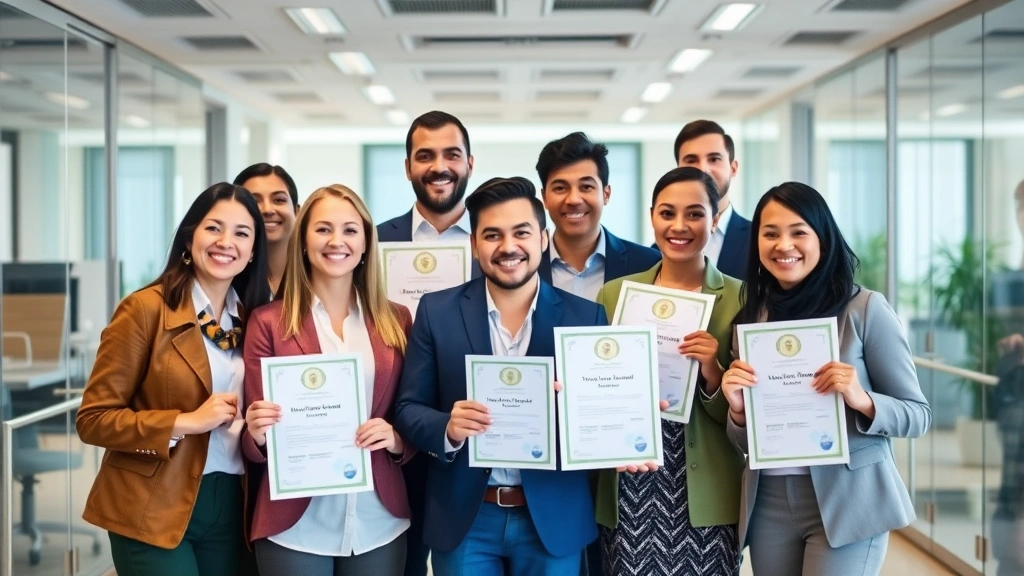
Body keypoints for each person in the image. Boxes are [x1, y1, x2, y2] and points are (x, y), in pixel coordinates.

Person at [394, 177, 606, 576]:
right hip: (466, 519)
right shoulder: (437, 312)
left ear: (543, 239)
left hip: (552, 518)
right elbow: (407, 408)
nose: (508, 247)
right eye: (492, 235)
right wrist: (448, 428)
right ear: (475, 244)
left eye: (521, 232)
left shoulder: (586, 318)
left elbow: (600, 417)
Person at [720, 182, 931, 575]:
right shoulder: (751, 319)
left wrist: (862, 398)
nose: (784, 245)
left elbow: (918, 415)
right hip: (770, 503)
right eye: (771, 233)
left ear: (823, 238)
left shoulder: (864, 308)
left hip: (850, 499)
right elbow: (742, 442)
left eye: (799, 231)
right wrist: (736, 410)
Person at [77, 183, 271, 576]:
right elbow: (93, 419)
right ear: (190, 236)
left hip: (234, 502)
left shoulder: (256, 319)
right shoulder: (145, 309)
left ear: (253, 252)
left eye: (241, 233)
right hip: (153, 501)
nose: (225, 242)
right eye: (213, 228)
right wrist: (185, 421)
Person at [240, 185, 414, 576]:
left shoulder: (397, 319)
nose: (337, 241)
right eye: (323, 230)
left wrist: (398, 438)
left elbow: (411, 413)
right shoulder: (268, 322)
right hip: (295, 522)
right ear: (302, 241)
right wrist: (257, 432)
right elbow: (254, 444)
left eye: (350, 230)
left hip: (378, 518)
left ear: (367, 241)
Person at [594, 167, 744, 576]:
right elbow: (598, 389)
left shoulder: (739, 296)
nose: (679, 226)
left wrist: (713, 369)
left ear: (715, 219)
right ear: (652, 216)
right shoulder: (614, 294)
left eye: (695, 214)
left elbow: (746, 418)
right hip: (631, 483)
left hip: (706, 485)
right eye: (667, 213)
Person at [375, 110, 478, 576]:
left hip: (474, 447)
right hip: (392, 440)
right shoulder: (371, 245)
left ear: (470, 163)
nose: (439, 166)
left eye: (451, 154)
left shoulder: (497, 244)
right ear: (408, 167)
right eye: (425, 156)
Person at [535, 131, 660, 301]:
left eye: (586, 187)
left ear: (606, 194)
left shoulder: (649, 264)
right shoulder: (525, 265)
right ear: (545, 198)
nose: (573, 200)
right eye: (560, 188)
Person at [668, 120, 750, 281]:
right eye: (691, 160)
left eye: (714, 159)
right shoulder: (659, 250)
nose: (703, 169)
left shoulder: (759, 239)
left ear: (733, 168)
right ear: (679, 171)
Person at [233, 163, 300, 296]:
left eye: (279, 200)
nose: (268, 210)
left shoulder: (319, 273)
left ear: (297, 212)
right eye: (254, 201)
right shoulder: (227, 276)